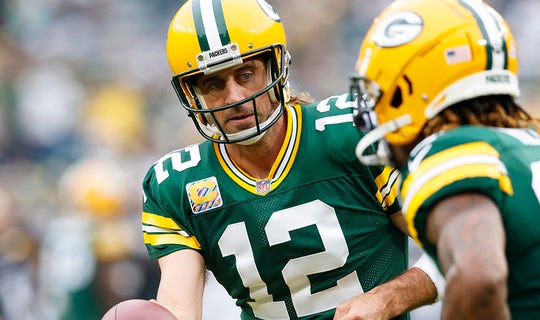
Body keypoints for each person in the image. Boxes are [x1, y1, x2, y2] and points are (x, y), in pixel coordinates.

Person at [139, 0, 441, 319]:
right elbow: (178, 309)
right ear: (192, 93)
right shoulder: (175, 185)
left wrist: (386, 299)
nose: (235, 97)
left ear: (274, 66)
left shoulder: (355, 134)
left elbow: (457, 252)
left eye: (245, 74)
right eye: (214, 84)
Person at [349, 0, 540, 319]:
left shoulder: (451, 150)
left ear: (412, 85)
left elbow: (479, 279)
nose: (373, 110)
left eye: (380, 93)